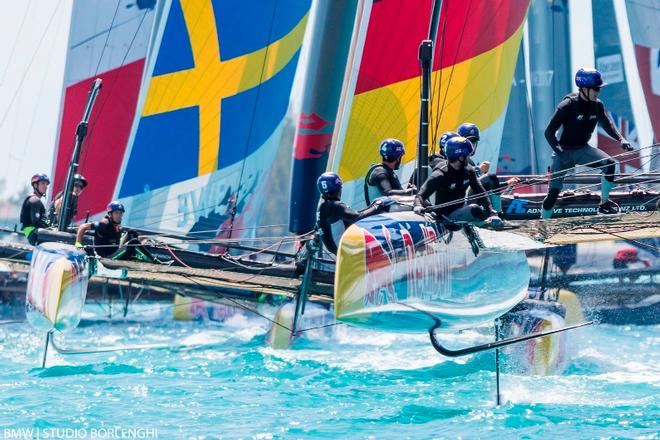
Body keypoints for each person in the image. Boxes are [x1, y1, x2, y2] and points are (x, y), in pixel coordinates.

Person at [541, 67, 633, 219]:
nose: (598, 92)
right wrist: (561, 154)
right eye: (596, 89)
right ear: (583, 89)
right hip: (563, 151)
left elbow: (607, 124)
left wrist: (621, 139)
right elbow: (548, 132)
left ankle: (604, 204)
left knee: (610, 164)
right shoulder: (567, 105)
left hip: (582, 149)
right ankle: (543, 224)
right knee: (553, 194)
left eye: (599, 89)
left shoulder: (597, 105)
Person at [414, 137, 502, 227]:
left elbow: (480, 191)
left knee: (481, 209)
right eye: (468, 155)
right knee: (475, 209)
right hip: (446, 217)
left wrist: (491, 211)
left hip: (461, 209)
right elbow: (420, 196)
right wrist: (418, 206)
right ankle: (484, 223)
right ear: (460, 157)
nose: (469, 157)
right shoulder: (440, 174)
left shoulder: (469, 171)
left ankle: (490, 220)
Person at [317, 172, 392, 254]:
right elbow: (358, 217)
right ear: (337, 189)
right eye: (340, 187)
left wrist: (373, 206)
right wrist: (378, 205)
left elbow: (355, 214)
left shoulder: (322, 207)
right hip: (347, 250)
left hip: (338, 251)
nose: (341, 190)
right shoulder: (334, 206)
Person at [457, 122, 519, 214]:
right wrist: (478, 169)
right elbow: (458, 178)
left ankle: (495, 214)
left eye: (474, 142)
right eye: (469, 141)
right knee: (491, 177)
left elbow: (483, 187)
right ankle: (498, 215)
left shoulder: (470, 162)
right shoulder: (455, 159)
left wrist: (507, 184)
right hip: (461, 206)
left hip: (472, 205)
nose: (472, 145)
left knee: (490, 180)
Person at [75, 201, 156, 262]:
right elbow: (83, 226)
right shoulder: (104, 224)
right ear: (110, 214)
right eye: (116, 213)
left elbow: (117, 242)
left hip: (116, 252)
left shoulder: (117, 226)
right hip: (107, 258)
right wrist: (78, 242)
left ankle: (135, 256)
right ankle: (153, 261)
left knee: (132, 233)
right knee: (133, 242)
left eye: (120, 213)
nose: (119, 215)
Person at [364, 138, 415, 205]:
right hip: (381, 213)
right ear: (397, 158)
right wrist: (407, 192)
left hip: (390, 211)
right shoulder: (380, 172)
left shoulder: (386, 171)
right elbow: (387, 193)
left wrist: (408, 191)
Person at [20, 173, 52, 245]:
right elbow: (35, 221)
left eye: (47, 184)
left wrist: (51, 224)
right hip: (33, 234)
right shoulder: (34, 200)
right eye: (43, 183)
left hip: (32, 232)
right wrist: (50, 229)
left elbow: (43, 218)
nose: (46, 186)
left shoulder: (36, 200)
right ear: (35, 185)